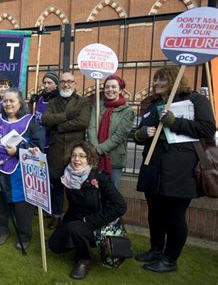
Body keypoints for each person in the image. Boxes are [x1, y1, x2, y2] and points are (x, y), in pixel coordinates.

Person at [133, 66, 215, 272]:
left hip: (181, 170)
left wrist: (175, 122)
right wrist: (141, 133)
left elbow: (207, 128)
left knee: (174, 216)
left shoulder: (195, 100)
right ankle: (156, 249)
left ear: (173, 80)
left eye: (161, 80)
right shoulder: (153, 105)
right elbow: (139, 133)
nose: (156, 84)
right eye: (155, 80)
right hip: (153, 168)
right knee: (155, 213)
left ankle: (170, 259)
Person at [0, 87, 45, 250]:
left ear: (20, 102)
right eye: (5, 101)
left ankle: (24, 236)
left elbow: (38, 147)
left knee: (21, 206)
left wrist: (18, 151)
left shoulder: (30, 122)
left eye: (12, 100)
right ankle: (1, 231)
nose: (8, 104)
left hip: (18, 171)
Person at [48, 141, 127, 280]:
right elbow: (50, 174)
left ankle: (84, 259)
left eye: (82, 156)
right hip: (75, 218)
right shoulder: (67, 172)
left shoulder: (99, 177)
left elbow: (120, 205)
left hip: (97, 224)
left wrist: (90, 221)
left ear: (89, 159)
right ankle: (78, 243)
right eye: (73, 155)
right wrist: (34, 157)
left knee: (74, 228)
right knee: (55, 245)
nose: (76, 159)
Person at [41, 71, 92, 229]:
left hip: (75, 150)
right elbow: (45, 119)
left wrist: (59, 126)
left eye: (70, 81)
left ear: (74, 84)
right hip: (56, 151)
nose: (66, 84)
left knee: (76, 186)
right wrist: (68, 116)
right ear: (59, 84)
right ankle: (56, 216)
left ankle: (75, 217)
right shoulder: (53, 101)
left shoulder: (83, 101)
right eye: (63, 81)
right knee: (56, 185)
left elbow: (83, 122)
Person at [87, 75, 134, 189]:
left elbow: (119, 136)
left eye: (114, 87)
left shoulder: (127, 111)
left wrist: (98, 149)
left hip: (114, 159)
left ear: (121, 90)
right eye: (107, 87)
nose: (110, 90)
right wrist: (95, 147)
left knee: (111, 193)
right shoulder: (98, 106)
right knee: (93, 191)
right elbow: (91, 128)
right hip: (95, 158)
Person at [29, 71, 60, 148]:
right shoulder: (40, 97)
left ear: (56, 84)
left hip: (50, 139)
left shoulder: (58, 99)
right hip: (37, 136)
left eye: (49, 83)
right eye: (44, 83)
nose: (46, 86)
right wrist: (31, 103)